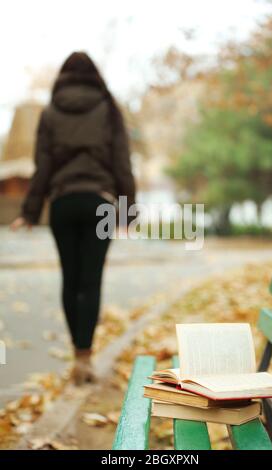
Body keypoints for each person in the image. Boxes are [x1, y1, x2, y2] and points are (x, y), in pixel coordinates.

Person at [11, 52, 136, 385]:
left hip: (64, 201)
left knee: (70, 278)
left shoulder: (50, 113)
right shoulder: (109, 109)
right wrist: (128, 211)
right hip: (101, 202)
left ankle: (75, 355)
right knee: (91, 280)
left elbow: (43, 166)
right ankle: (86, 356)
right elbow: (122, 162)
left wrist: (29, 212)